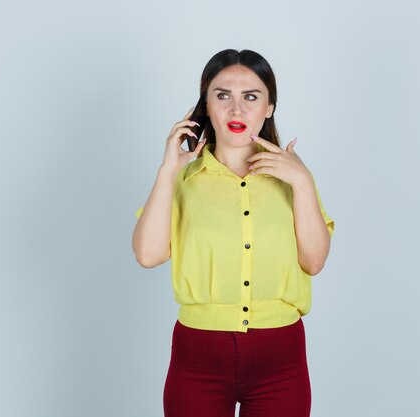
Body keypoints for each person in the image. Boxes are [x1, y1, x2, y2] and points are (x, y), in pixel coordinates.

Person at [131, 49, 335, 417]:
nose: (236, 110)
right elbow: (148, 255)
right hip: (197, 358)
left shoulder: (295, 179)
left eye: (251, 97)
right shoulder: (182, 180)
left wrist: (302, 182)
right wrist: (167, 172)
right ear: (205, 106)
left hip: (281, 359)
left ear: (270, 106)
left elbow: (314, 261)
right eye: (222, 95)